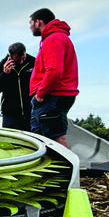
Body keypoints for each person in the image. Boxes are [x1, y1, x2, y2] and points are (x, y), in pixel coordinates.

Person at [28, 8, 79, 148]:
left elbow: (54, 71)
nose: (30, 27)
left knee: (50, 141)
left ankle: (63, 169)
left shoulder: (53, 38)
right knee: (51, 138)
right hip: (56, 95)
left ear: (38, 22)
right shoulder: (57, 38)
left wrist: (40, 94)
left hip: (52, 96)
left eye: (31, 22)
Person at [0, 42, 35, 131]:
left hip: (32, 112)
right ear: (11, 56)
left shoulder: (34, 62)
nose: (21, 62)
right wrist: (5, 74)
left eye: (23, 58)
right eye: (18, 60)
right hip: (11, 114)